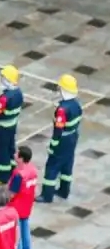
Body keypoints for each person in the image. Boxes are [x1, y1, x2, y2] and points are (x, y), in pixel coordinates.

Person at [39, 74, 83, 203]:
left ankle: (47, 195)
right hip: (72, 137)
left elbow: (58, 130)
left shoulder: (62, 110)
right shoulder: (77, 105)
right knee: (67, 165)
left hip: (62, 141)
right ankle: (64, 191)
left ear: (63, 89)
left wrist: (53, 145)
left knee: (52, 167)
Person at [0, 65, 24, 185]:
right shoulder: (19, 93)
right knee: (10, 148)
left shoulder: (4, 98)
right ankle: (12, 169)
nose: (1, 79)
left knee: (1, 151)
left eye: (3, 77)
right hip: (12, 125)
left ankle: (2, 177)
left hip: (2, 128)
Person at [8, 145, 37, 249]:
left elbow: (12, 193)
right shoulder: (33, 170)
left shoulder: (19, 174)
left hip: (16, 208)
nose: (14, 154)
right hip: (27, 206)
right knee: (25, 233)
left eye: (17, 153)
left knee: (16, 237)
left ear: (21, 158)